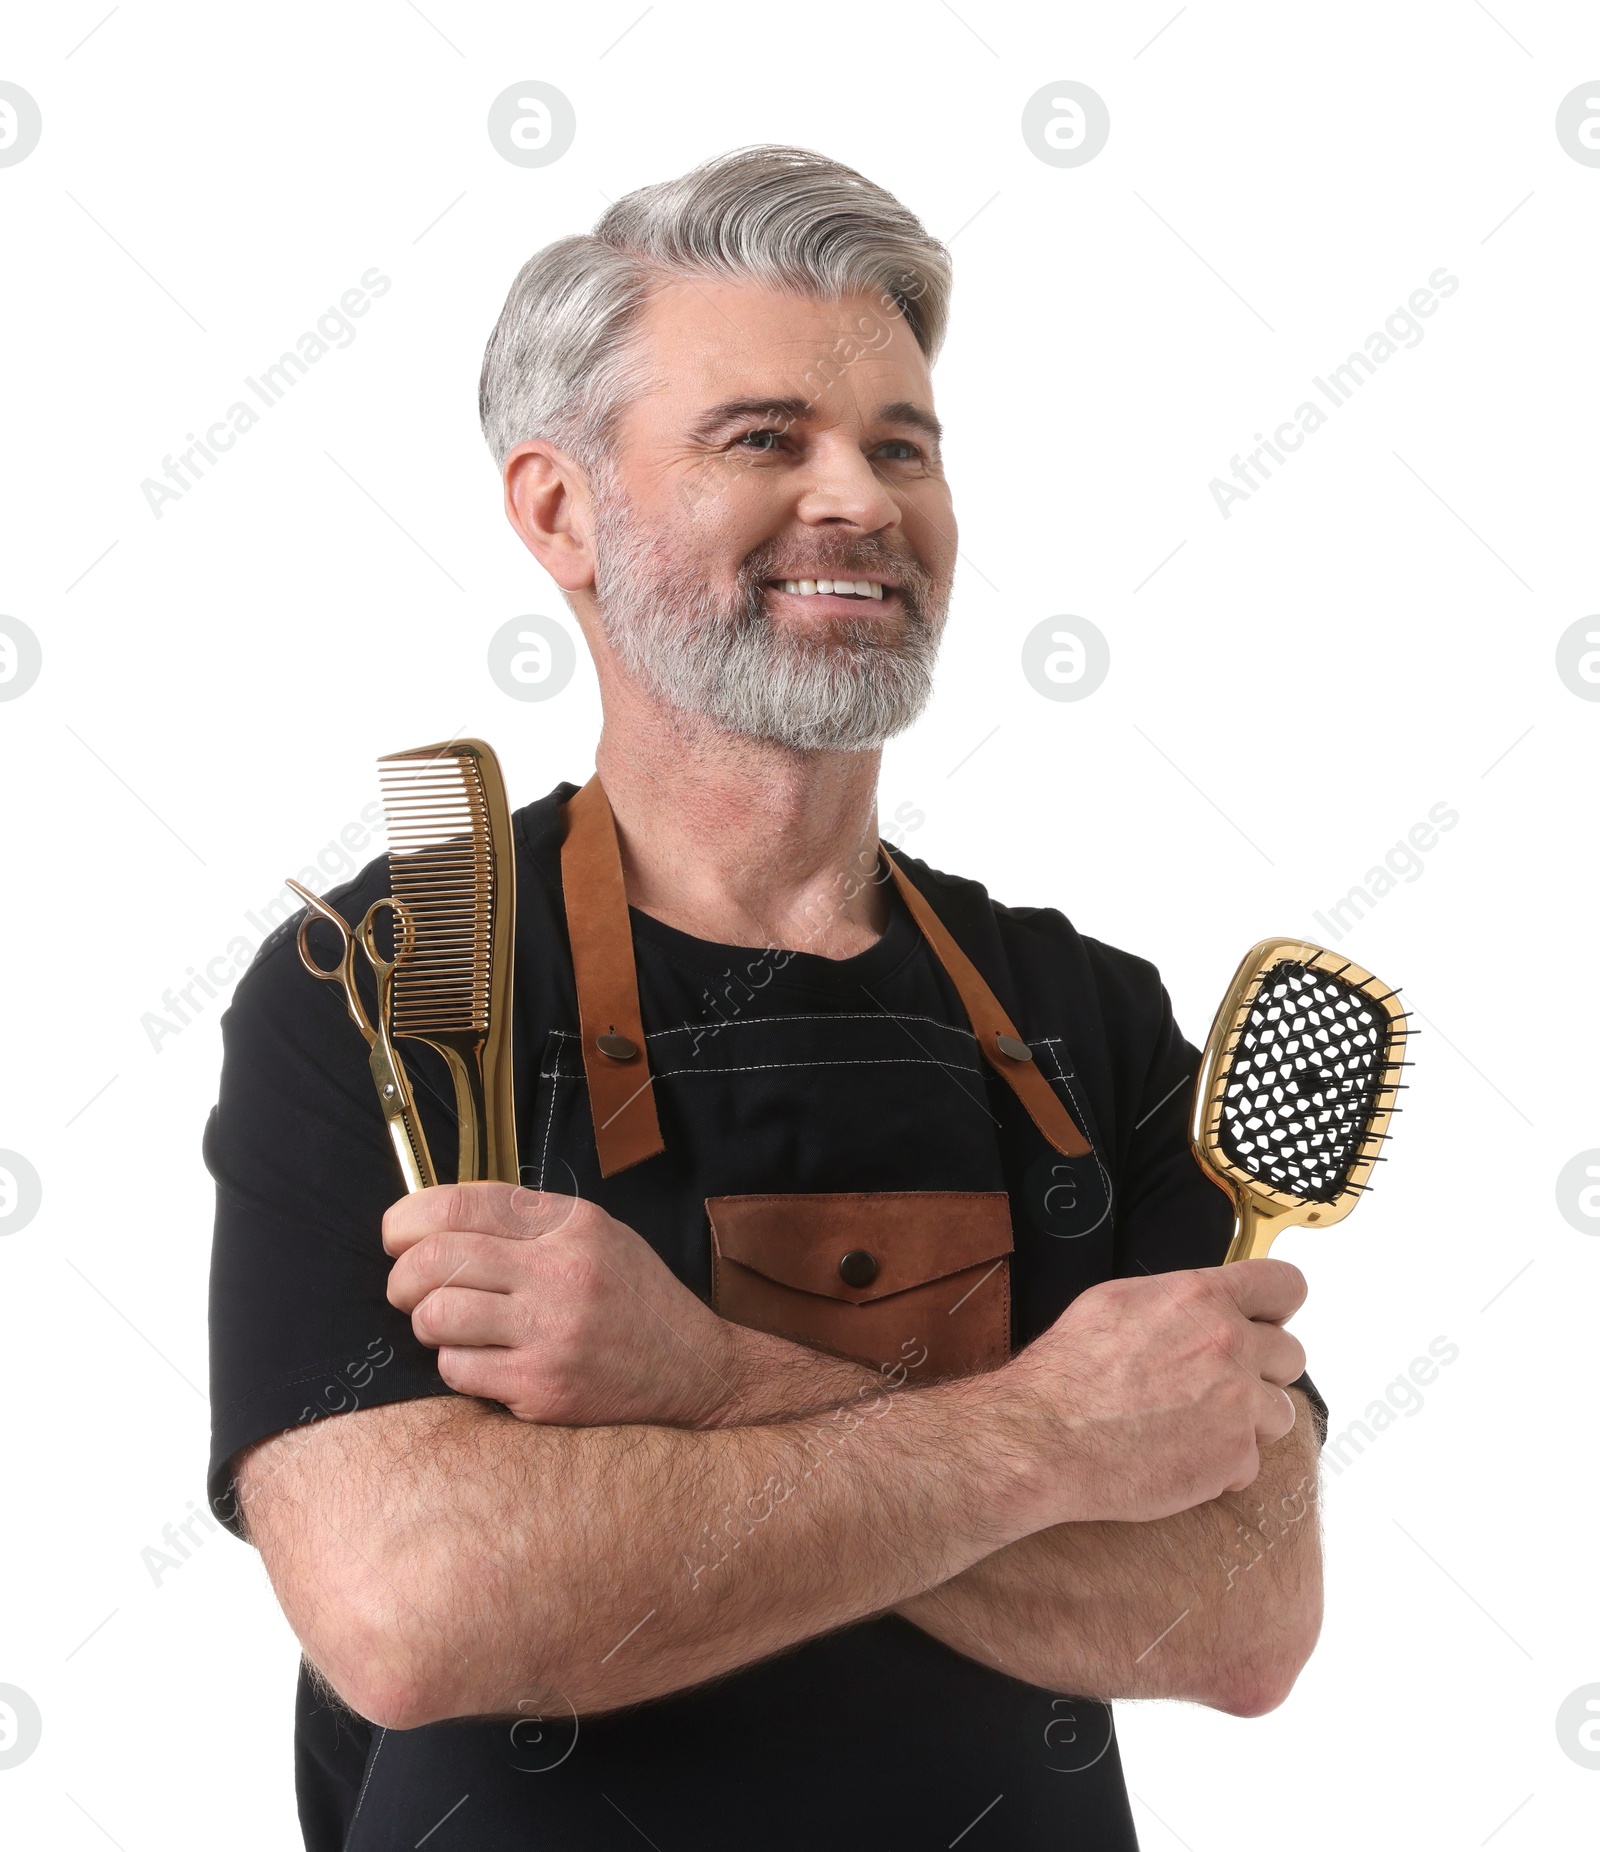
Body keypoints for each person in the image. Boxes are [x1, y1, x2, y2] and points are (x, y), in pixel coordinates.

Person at [205, 144, 1328, 1852]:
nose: (861, 501)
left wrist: (702, 1381)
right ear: (557, 511)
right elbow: (416, 1607)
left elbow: (1239, 1616)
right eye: (764, 439)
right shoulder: (390, 993)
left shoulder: (1088, 1017)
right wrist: (1056, 1438)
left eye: (901, 448)